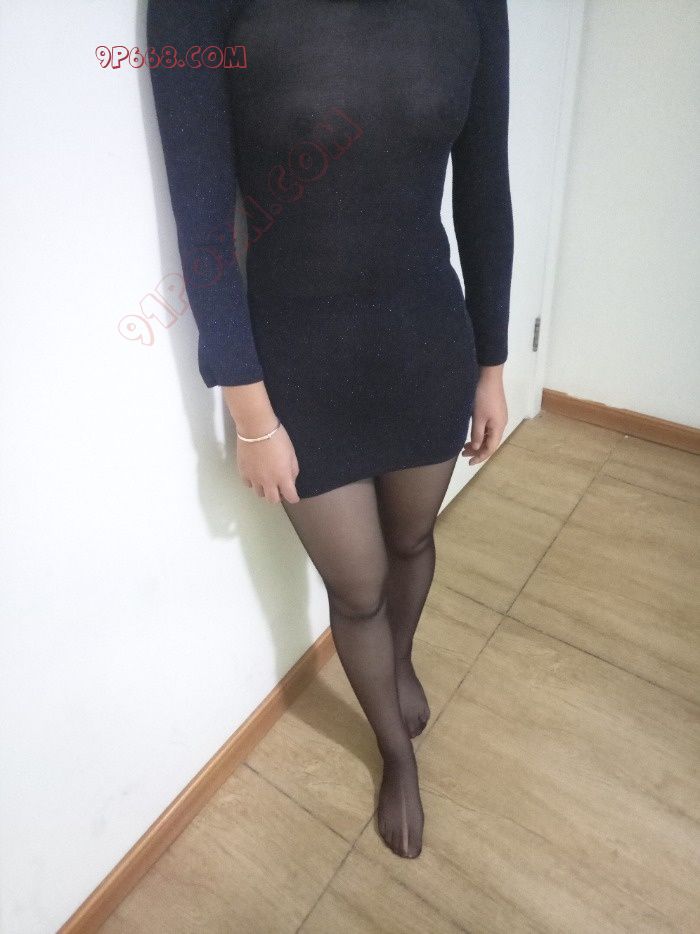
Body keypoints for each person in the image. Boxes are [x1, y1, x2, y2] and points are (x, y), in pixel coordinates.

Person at [147, 0, 513, 859]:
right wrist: (249, 415)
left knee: (413, 539)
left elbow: (485, 187)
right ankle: (395, 754)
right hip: (299, 361)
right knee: (356, 590)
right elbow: (202, 220)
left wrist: (492, 364)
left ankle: (400, 659)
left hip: (427, 340)